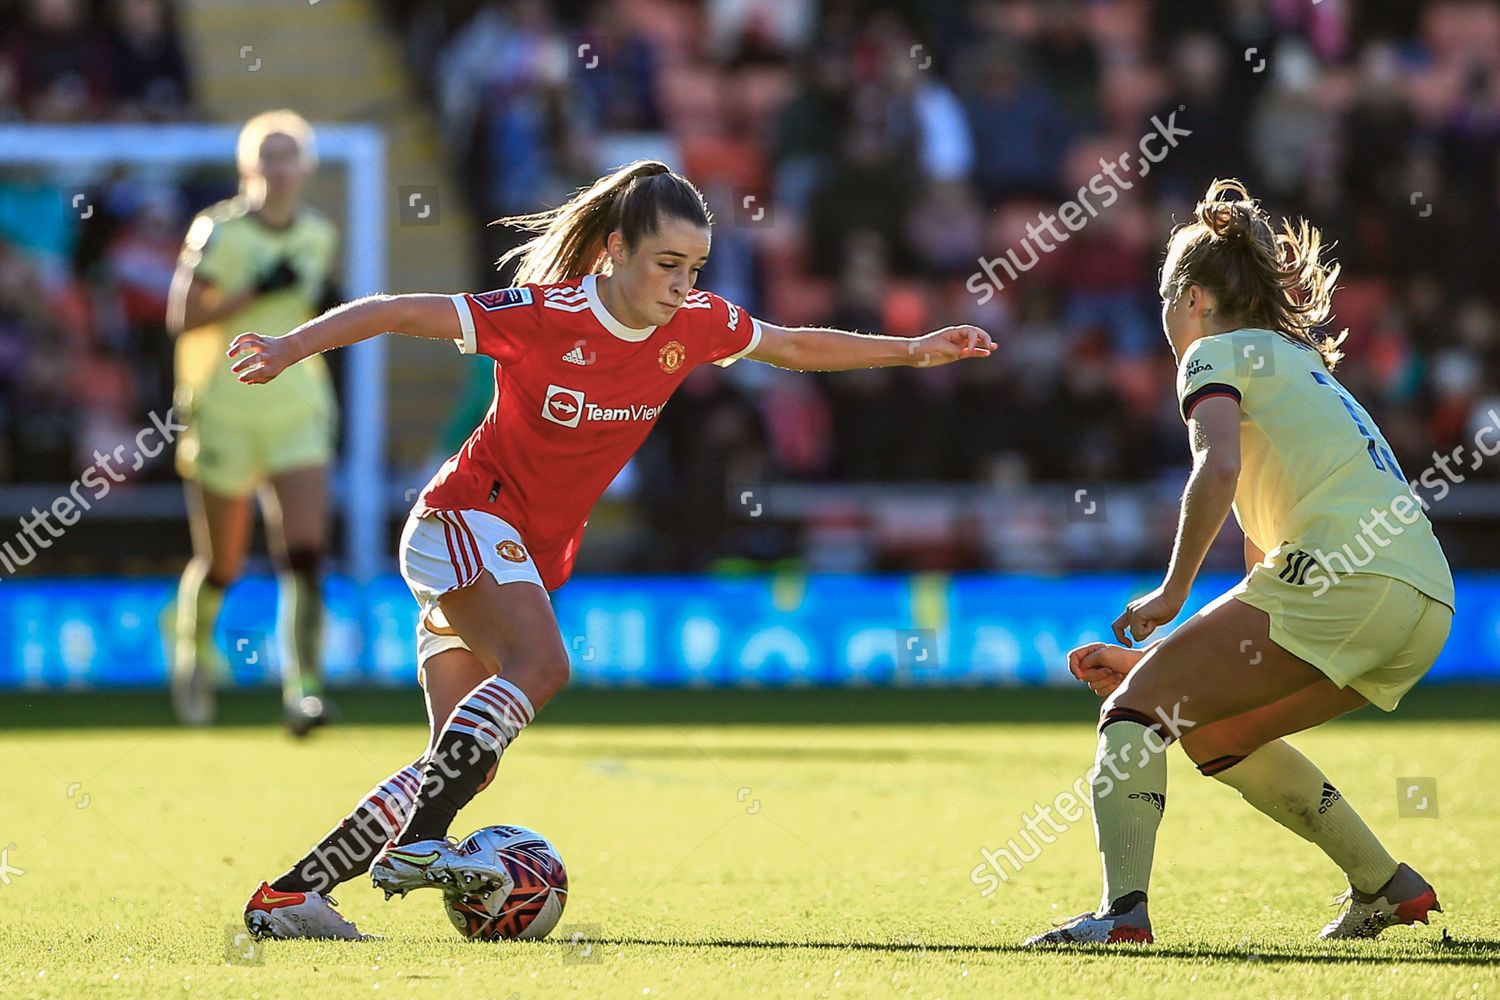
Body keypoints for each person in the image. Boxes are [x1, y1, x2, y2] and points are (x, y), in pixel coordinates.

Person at [233, 160, 993, 939]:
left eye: (694, 268)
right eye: (667, 265)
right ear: (615, 250)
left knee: (461, 764)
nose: (681, 285)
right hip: (463, 519)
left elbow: (794, 345)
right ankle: (422, 844)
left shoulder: (695, 324)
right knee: (543, 669)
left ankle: (294, 894)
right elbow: (396, 311)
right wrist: (293, 346)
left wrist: (914, 350)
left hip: (517, 553)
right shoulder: (542, 314)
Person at [1025, 179, 1453, 947]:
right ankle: (1387, 886)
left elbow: (1214, 470)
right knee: (1217, 731)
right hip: (1424, 598)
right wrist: (1162, 658)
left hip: (1344, 577)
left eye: (1161, 300)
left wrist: (1169, 595)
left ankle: (1122, 916)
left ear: (1189, 299)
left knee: (1133, 715)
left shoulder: (1213, 355)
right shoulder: (1297, 363)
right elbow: (1263, 577)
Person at [165, 110, 340, 734]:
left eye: (288, 153)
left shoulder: (320, 233)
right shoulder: (217, 231)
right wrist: (253, 291)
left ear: (306, 166)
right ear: (248, 165)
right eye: (267, 153)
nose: (278, 165)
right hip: (225, 410)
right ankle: (192, 651)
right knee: (224, 562)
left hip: (297, 408)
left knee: (305, 553)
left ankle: (304, 690)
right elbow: (182, 318)